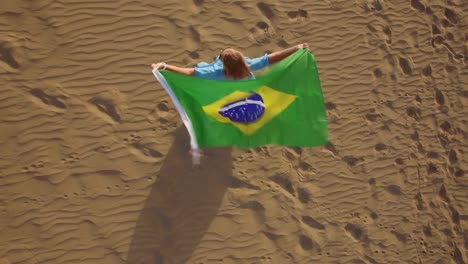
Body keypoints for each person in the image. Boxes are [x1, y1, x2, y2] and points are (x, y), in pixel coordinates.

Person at [151, 43, 309, 81]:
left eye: (220, 56)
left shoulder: (214, 72)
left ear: (223, 64)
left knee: (200, 67)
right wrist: (296, 48)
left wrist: (165, 66)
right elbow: (273, 57)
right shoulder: (248, 66)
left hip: (223, 95)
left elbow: (189, 72)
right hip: (242, 92)